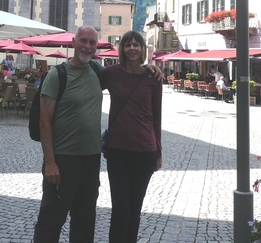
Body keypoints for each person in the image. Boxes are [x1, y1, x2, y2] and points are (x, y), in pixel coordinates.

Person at [34, 27, 164, 243]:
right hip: (70, 157)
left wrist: (151, 67)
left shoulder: (100, 71)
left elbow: (149, 104)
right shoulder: (64, 74)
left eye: (92, 43)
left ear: (97, 47)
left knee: (86, 219)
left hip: (94, 157)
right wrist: (49, 162)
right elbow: (44, 121)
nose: (87, 46)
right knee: (53, 217)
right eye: (83, 41)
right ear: (74, 42)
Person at [101, 31, 162, 243]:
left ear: (143, 48)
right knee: (121, 211)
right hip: (117, 151)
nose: (132, 48)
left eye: (137, 44)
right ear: (122, 49)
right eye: (128, 45)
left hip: (145, 152)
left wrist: (158, 151)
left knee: (135, 212)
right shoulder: (110, 73)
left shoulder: (152, 78)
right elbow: (90, 76)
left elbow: (156, 116)